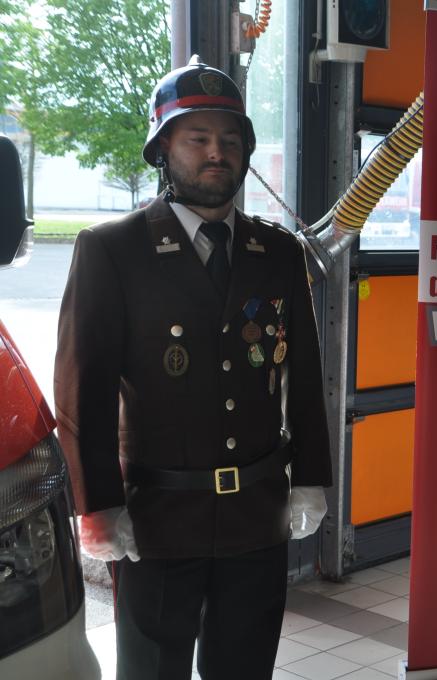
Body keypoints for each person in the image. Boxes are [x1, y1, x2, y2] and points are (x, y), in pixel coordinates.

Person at [54, 57, 333, 679]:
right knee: (153, 670)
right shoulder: (112, 249)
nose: (216, 153)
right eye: (197, 138)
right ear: (163, 150)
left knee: (245, 668)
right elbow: (82, 389)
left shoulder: (277, 251)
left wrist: (311, 476)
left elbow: (303, 372)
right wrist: (96, 506)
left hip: (256, 514)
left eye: (230, 140)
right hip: (156, 519)